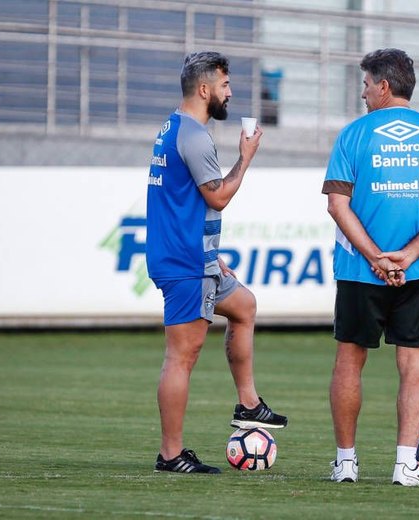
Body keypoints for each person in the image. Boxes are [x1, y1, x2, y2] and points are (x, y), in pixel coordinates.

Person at [322, 48, 419, 486]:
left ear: (383, 86)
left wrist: (373, 257)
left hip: (357, 269)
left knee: (350, 361)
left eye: (366, 84)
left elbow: (337, 205)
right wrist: (407, 256)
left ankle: (346, 464)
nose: (363, 93)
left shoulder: (353, 134)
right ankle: (406, 466)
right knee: (414, 366)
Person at [145, 51, 288, 474]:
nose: (230, 93)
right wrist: (246, 156)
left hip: (195, 255)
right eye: (225, 86)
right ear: (205, 89)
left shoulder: (174, 127)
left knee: (243, 306)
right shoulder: (193, 136)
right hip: (185, 263)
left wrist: (212, 253)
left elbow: (178, 201)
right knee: (181, 358)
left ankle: (248, 404)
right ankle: (170, 455)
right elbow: (218, 196)